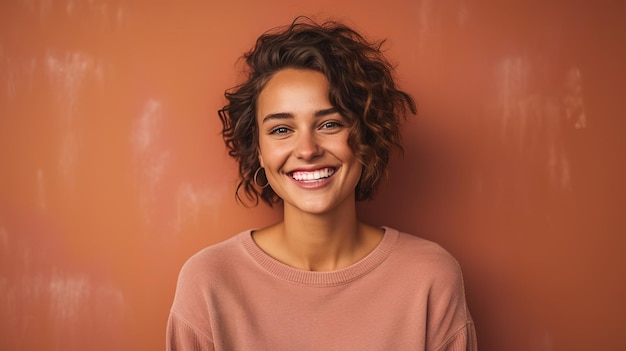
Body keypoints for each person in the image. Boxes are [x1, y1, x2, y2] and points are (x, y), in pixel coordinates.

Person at [166, 17, 477, 350]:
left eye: (330, 124)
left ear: (366, 136)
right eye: (281, 130)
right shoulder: (208, 281)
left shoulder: (429, 277)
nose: (308, 150)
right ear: (257, 150)